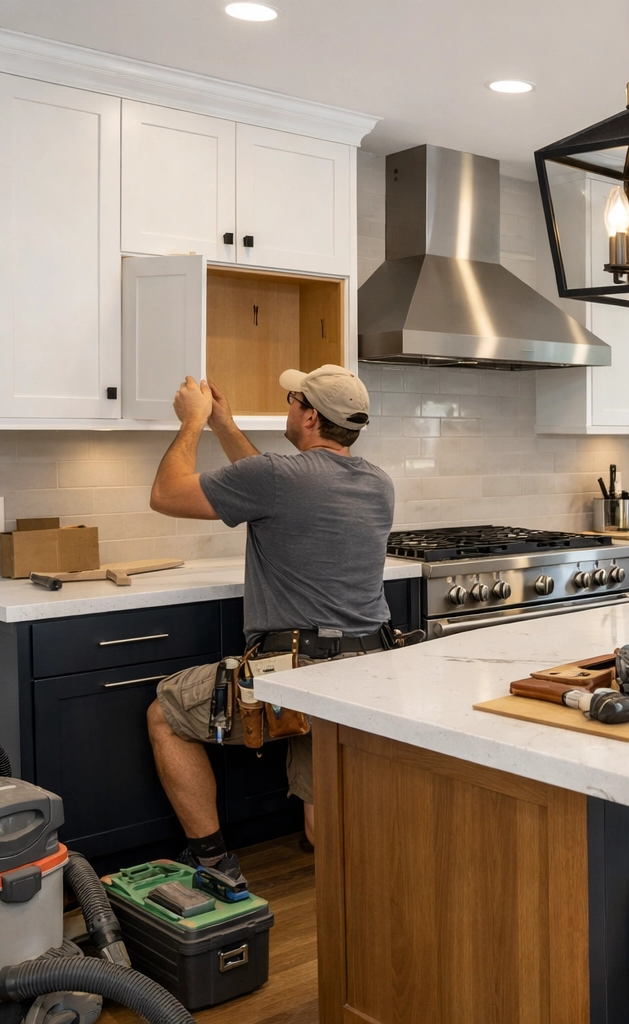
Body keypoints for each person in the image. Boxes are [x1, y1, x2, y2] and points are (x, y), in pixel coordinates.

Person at [146, 365, 394, 883]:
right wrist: (224, 425)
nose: (287, 406)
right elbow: (271, 484)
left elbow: (166, 495)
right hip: (366, 666)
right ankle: (367, 900)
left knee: (165, 714)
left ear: (308, 415)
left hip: (295, 671)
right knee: (320, 813)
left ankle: (212, 860)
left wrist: (192, 422)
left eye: (291, 399)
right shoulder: (376, 481)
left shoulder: (279, 478)